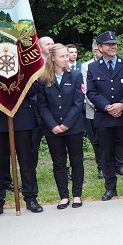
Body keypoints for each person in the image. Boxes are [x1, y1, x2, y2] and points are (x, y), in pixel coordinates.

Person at [87, 31, 123, 200]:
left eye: (114, 43)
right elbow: (91, 92)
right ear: (100, 48)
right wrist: (107, 106)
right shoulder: (93, 67)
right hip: (105, 117)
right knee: (107, 154)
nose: (113, 46)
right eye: (108, 44)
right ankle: (110, 188)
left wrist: (122, 104)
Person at [37, 43, 85, 209]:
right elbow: (42, 105)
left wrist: (66, 124)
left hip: (74, 127)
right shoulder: (43, 78)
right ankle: (63, 196)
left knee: (76, 161)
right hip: (53, 129)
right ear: (53, 58)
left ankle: (77, 195)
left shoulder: (76, 76)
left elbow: (79, 103)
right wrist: (52, 125)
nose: (66, 59)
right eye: (62, 56)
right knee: (58, 163)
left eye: (67, 56)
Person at [0, 82, 43, 214]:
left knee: (26, 160)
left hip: (23, 115)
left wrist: (16, 83)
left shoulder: (25, 61)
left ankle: (31, 197)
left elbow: (34, 90)